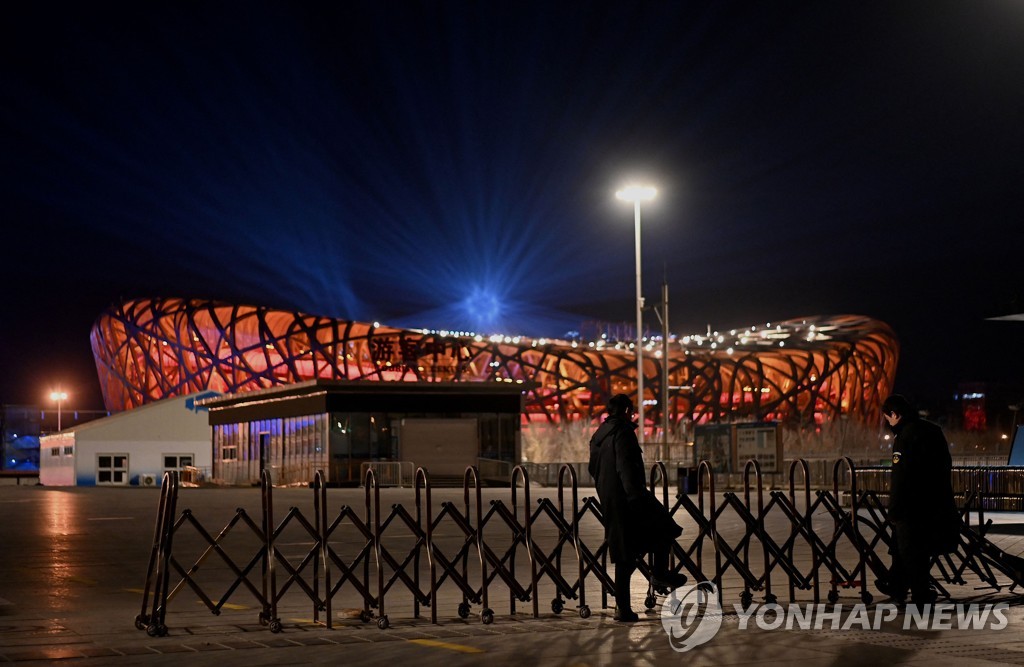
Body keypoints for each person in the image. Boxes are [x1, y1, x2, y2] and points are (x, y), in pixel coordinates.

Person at [588, 393, 686, 622]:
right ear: (626, 411)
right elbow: (626, 467)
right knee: (664, 526)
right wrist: (636, 496)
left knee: (624, 553)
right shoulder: (622, 432)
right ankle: (659, 573)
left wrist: (606, 490)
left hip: (610, 498)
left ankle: (623, 607)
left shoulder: (598, 436)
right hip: (629, 497)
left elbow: (593, 469)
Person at [877, 393, 958, 605]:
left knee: (910, 551)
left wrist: (893, 509)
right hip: (937, 502)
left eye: (888, 419)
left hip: (911, 506)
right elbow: (945, 465)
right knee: (910, 548)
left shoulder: (904, 437)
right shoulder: (933, 430)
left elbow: (900, 476)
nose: (888, 423)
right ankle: (896, 584)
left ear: (894, 414)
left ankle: (920, 592)